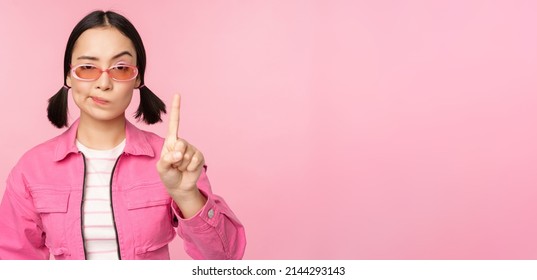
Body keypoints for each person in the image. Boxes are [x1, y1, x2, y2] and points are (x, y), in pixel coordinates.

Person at [0, 10, 246, 260]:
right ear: (68, 75)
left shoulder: (171, 161)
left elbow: (225, 262)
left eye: (120, 68)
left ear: (137, 77)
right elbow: (12, 263)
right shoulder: (31, 169)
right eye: (87, 67)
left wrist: (187, 195)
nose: (104, 83)